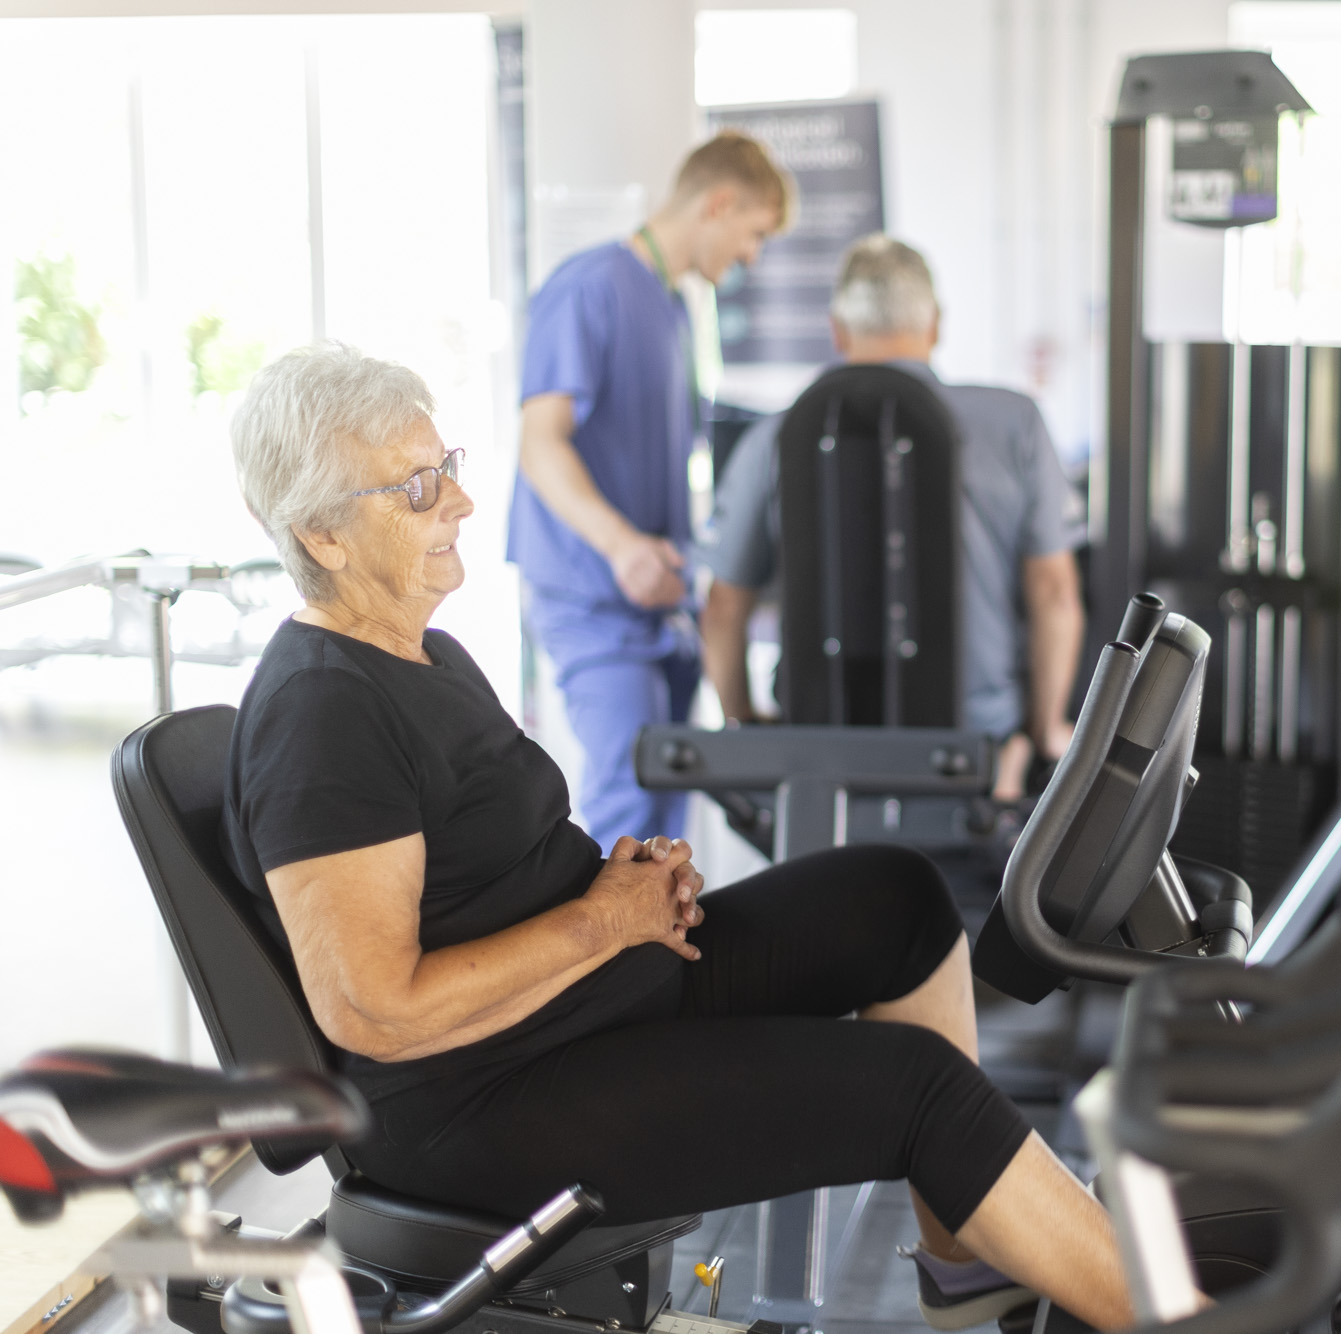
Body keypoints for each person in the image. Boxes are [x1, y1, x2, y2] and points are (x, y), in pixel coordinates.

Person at [220, 344, 1142, 1332]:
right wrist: (597, 920)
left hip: (585, 1001)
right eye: (414, 487)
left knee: (897, 899)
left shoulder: (424, 655)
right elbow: (373, 1012)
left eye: (445, 465)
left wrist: (620, 892)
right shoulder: (324, 713)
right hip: (481, 1100)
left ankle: (968, 1270)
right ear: (323, 533)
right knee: (917, 1093)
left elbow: (488, 873)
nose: (458, 503)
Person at [698, 234, 1084, 802]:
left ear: (837, 329)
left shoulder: (776, 437)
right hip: (978, 749)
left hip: (818, 755)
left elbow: (724, 606)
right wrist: (1045, 728)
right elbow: (1053, 593)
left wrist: (744, 724)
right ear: (936, 326)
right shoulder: (1016, 424)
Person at [511, 131, 792, 850]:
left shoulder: (671, 307)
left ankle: (664, 962)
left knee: (669, 816)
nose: (753, 255)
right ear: (718, 203)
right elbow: (540, 443)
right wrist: (622, 545)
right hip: (595, 597)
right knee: (630, 809)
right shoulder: (589, 287)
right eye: (753, 233)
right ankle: (612, 963)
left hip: (657, 604)